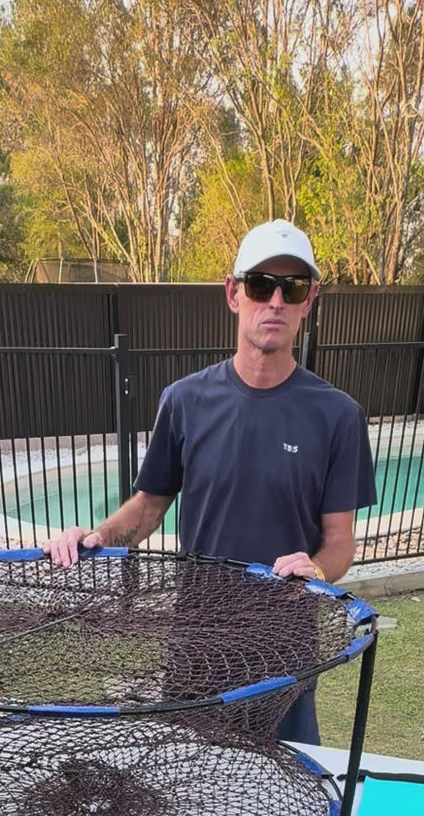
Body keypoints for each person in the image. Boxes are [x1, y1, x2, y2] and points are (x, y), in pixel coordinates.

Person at [44, 218, 378, 743]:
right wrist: (99, 536)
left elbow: (338, 542)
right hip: (195, 648)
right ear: (233, 293)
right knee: (189, 804)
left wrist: (314, 567)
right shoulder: (184, 402)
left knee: (282, 807)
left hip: (284, 655)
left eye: (290, 289)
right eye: (260, 284)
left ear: (309, 300)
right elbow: (149, 507)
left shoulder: (338, 416)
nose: (274, 302)